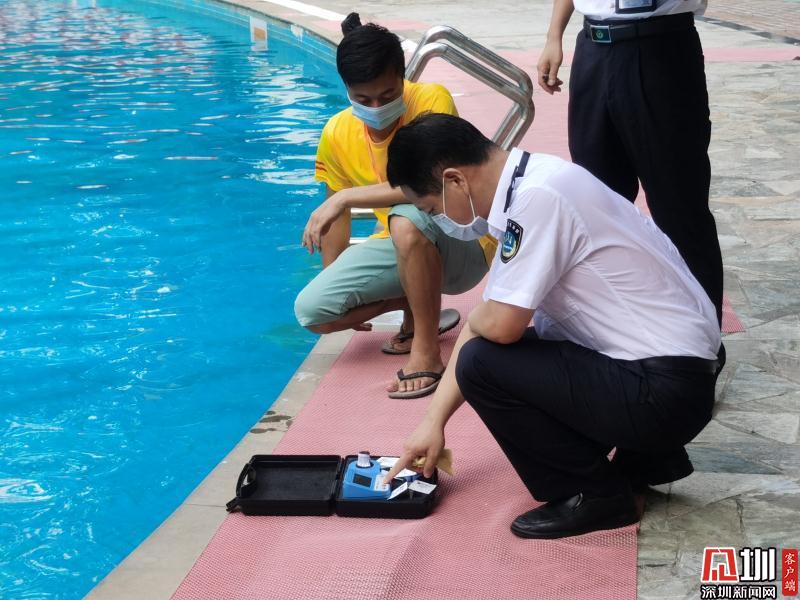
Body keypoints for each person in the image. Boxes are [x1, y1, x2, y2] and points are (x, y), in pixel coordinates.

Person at [383, 113, 722, 539]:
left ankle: (596, 494)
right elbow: (488, 320)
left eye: (432, 209)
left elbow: (498, 325)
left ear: (455, 180)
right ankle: (648, 456)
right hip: (680, 375)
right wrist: (433, 422)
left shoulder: (537, 199)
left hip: (664, 393)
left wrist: (484, 317)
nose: (440, 221)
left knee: (483, 364)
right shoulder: (540, 179)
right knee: (501, 347)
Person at [295, 13, 496, 399]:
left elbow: (429, 187)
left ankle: (426, 352)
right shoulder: (336, 132)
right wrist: (342, 287)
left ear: (403, 78)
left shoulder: (431, 99)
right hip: (402, 244)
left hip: (463, 241)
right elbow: (337, 219)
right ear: (347, 90)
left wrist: (346, 196)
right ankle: (412, 299)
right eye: (363, 99)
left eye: (387, 96)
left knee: (407, 217)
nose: (376, 107)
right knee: (313, 310)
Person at [535, 0, 724, 327]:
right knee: (596, 206)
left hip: (662, 49)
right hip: (593, 50)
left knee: (680, 209)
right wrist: (554, 36)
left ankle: (703, 344)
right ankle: (612, 333)